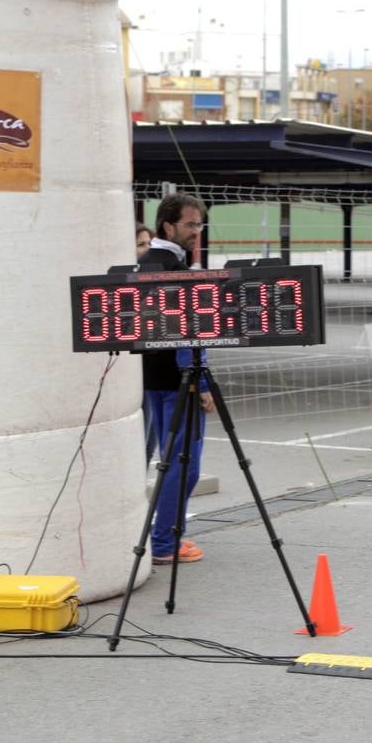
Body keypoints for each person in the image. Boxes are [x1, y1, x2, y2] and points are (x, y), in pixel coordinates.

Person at [139, 194, 214, 565]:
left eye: (199, 225)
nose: (196, 232)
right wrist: (201, 384)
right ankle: (166, 543)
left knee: (164, 461)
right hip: (177, 382)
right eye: (190, 224)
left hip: (149, 379)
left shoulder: (142, 263)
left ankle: (163, 538)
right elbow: (185, 333)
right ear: (168, 225)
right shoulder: (176, 269)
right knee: (184, 464)